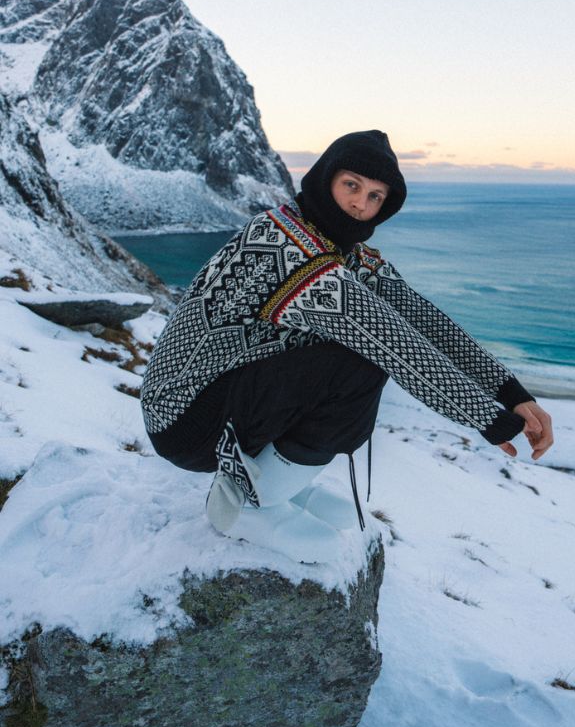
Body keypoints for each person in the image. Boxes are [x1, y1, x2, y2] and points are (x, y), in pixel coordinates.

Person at [142, 129, 553, 564]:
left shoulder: (346, 250)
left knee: (346, 352)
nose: (361, 204)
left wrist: (511, 393)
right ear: (325, 179)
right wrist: (489, 418)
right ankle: (253, 503)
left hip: (219, 392)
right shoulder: (288, 245)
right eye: (352, 185)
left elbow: (422, 319)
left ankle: (283, 480)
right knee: (356, 363)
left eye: (376, 196)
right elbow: (389, 341)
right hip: (184, 418)